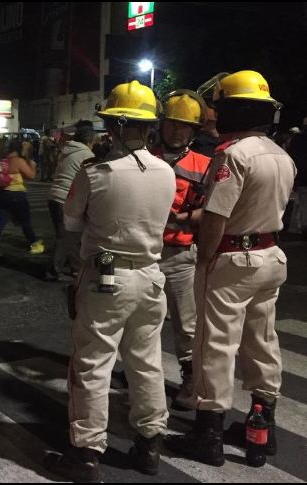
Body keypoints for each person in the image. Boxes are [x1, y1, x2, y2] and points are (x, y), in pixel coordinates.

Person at [45, 81, 175, 482]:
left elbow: (71, 221)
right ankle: (149, 444)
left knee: (93, 363)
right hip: (150, 276)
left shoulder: (96, 173)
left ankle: (86, 453)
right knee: (146, 362)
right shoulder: (166, 172)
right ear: (148, 127)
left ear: (117, 126)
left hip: (106, 273)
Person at [165, 70, 296, 466]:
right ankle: (262, 428)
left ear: (237, 110)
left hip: (232, 260)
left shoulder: (233, 155)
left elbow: (217, 217)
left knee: (214, 345)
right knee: (262, 341)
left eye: (220, 108)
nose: (215, 115)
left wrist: (205, 259)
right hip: (270, 256)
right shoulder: (281, 155)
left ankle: (208, 434)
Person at [150, 90, 213, 411]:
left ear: (194, 131)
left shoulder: (204, 165)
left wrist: (181, 218)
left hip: (180, 255)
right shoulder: (144, 157)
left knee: (186, 325)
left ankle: (190, 379)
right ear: (162, 125)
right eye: (173, 124)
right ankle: (140, 375)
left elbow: (213, 210)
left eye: (185, 126)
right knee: (140, 321)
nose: (178, 131)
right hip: (143, 254)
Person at [45, 123, 95, 282]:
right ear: (90, 140)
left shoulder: (67, 150)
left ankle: (76, 269)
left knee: (71, 235)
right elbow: (91, 179)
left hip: (54, 196)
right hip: (66, 198)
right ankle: (53, 271)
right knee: (66, 237)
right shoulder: (87, 154)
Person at [0, 138, 45, 257]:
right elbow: (31, 175)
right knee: (25, 222)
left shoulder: (4, 160)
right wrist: (32, 164)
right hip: (17, 196)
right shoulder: (18, 161)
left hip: (2, 195)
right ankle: (34, 243)